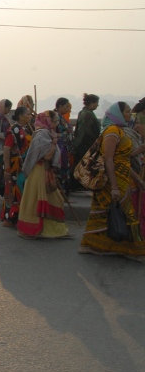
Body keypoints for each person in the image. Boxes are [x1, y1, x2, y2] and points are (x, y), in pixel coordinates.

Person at [79, 102, 145, 261]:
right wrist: (114, 186)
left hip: (123, 178)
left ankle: (99, 246)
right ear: (118, 114)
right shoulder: (112, 131)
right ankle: (132, 249)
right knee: (122, 213)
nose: (130, 114)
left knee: (112, 214)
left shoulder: (120, 131)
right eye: (127, 112)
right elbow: (109, 159)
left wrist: (137, 179)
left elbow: (123, 160)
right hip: (111, 180)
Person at [16, 111, 71, 239]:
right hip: (39, 171)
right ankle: (36, 229)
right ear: (47, 121)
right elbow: (47, 156)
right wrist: (54, 142)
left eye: (56, 121)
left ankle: (55, 230)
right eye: (54, 121)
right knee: (37, 200)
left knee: (55, 199)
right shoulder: (42, 135)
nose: (56, 124)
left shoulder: (48, 133)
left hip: (46, 171)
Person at [0, 106, 33, 227]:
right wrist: (7, 168)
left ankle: (20, 216)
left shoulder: (26, 129)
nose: (30, 116)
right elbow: (6, 149)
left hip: (23, 165)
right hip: (15, 166)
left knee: (21, 189)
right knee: (13, 190)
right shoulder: (14, 130)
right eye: (28, 114)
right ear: (20, 116)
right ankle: (10, 218)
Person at [71, 93, 100, 190]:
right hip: (85, 144)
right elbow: (86, 132)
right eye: (96, 103)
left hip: (80, 144)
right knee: (83, 166)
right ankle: (79, 185)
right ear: (91, 103)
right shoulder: (88, 115)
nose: (97, 105)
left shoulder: (83, 112)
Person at [127, 116, 145, 239]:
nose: (138, 126)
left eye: (139, 123)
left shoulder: (137, 138)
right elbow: (120, 158)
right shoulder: (126, 137)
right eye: (135, 123)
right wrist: (137, 151)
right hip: (131, 178)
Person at [54, 98, 74, 196]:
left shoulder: (61, 117)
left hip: (65, 149)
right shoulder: (55, 117)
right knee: (60, 169)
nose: (68, 109)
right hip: (60, 149)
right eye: (66, 106)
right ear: (60, 106)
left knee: (65, 169)